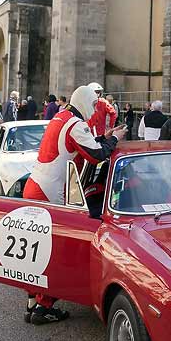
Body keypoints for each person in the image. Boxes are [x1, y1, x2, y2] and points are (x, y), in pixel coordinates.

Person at [23, 85, 127, 324]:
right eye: (92, 105)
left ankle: (32, 301)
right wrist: (115, 138)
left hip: (36, 184)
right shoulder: (76, 124)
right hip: (50, 192)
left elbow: (87, 143)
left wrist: (105, 137)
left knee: (36, 251)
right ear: (83, 102)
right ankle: (44, 307)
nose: (93, 111)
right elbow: (97, 154)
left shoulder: (62, 116)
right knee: (57, 253)